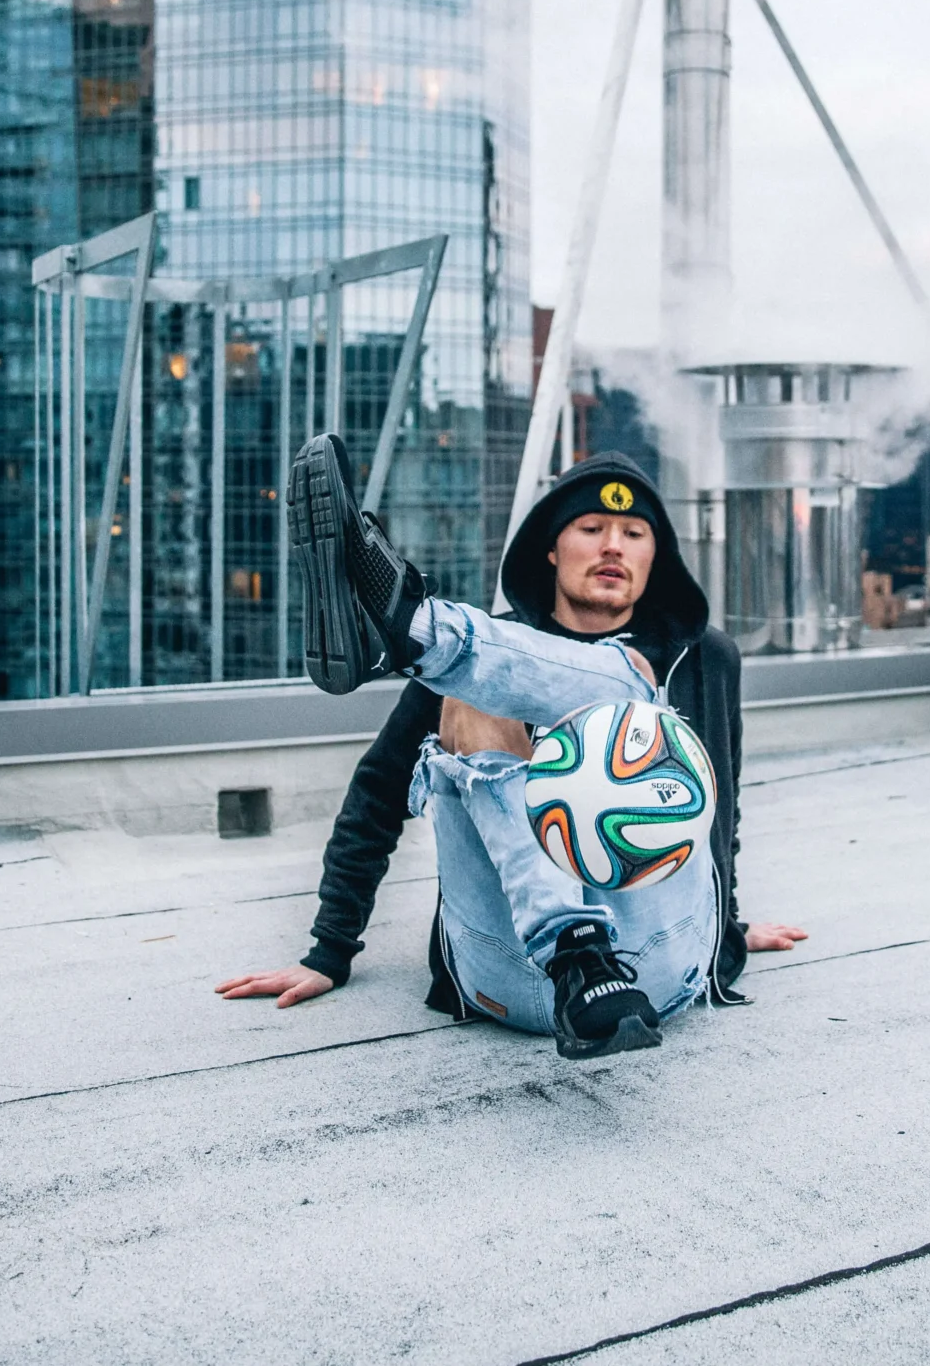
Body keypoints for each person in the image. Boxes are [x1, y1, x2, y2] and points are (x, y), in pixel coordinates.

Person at [216, 437, 806, 1059]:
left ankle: (409, 633)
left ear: (657, 555)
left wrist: (727, 925)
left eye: (635, 533)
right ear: (551, 548)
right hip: (509, 968)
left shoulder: (705, 658)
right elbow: (378, 795)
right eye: (591, 526)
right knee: (476, 691)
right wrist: (328, 952)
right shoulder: (484, 668)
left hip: (659, 961)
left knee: (627, 682)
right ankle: (576, 953)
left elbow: (722, 805)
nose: (613, 545)